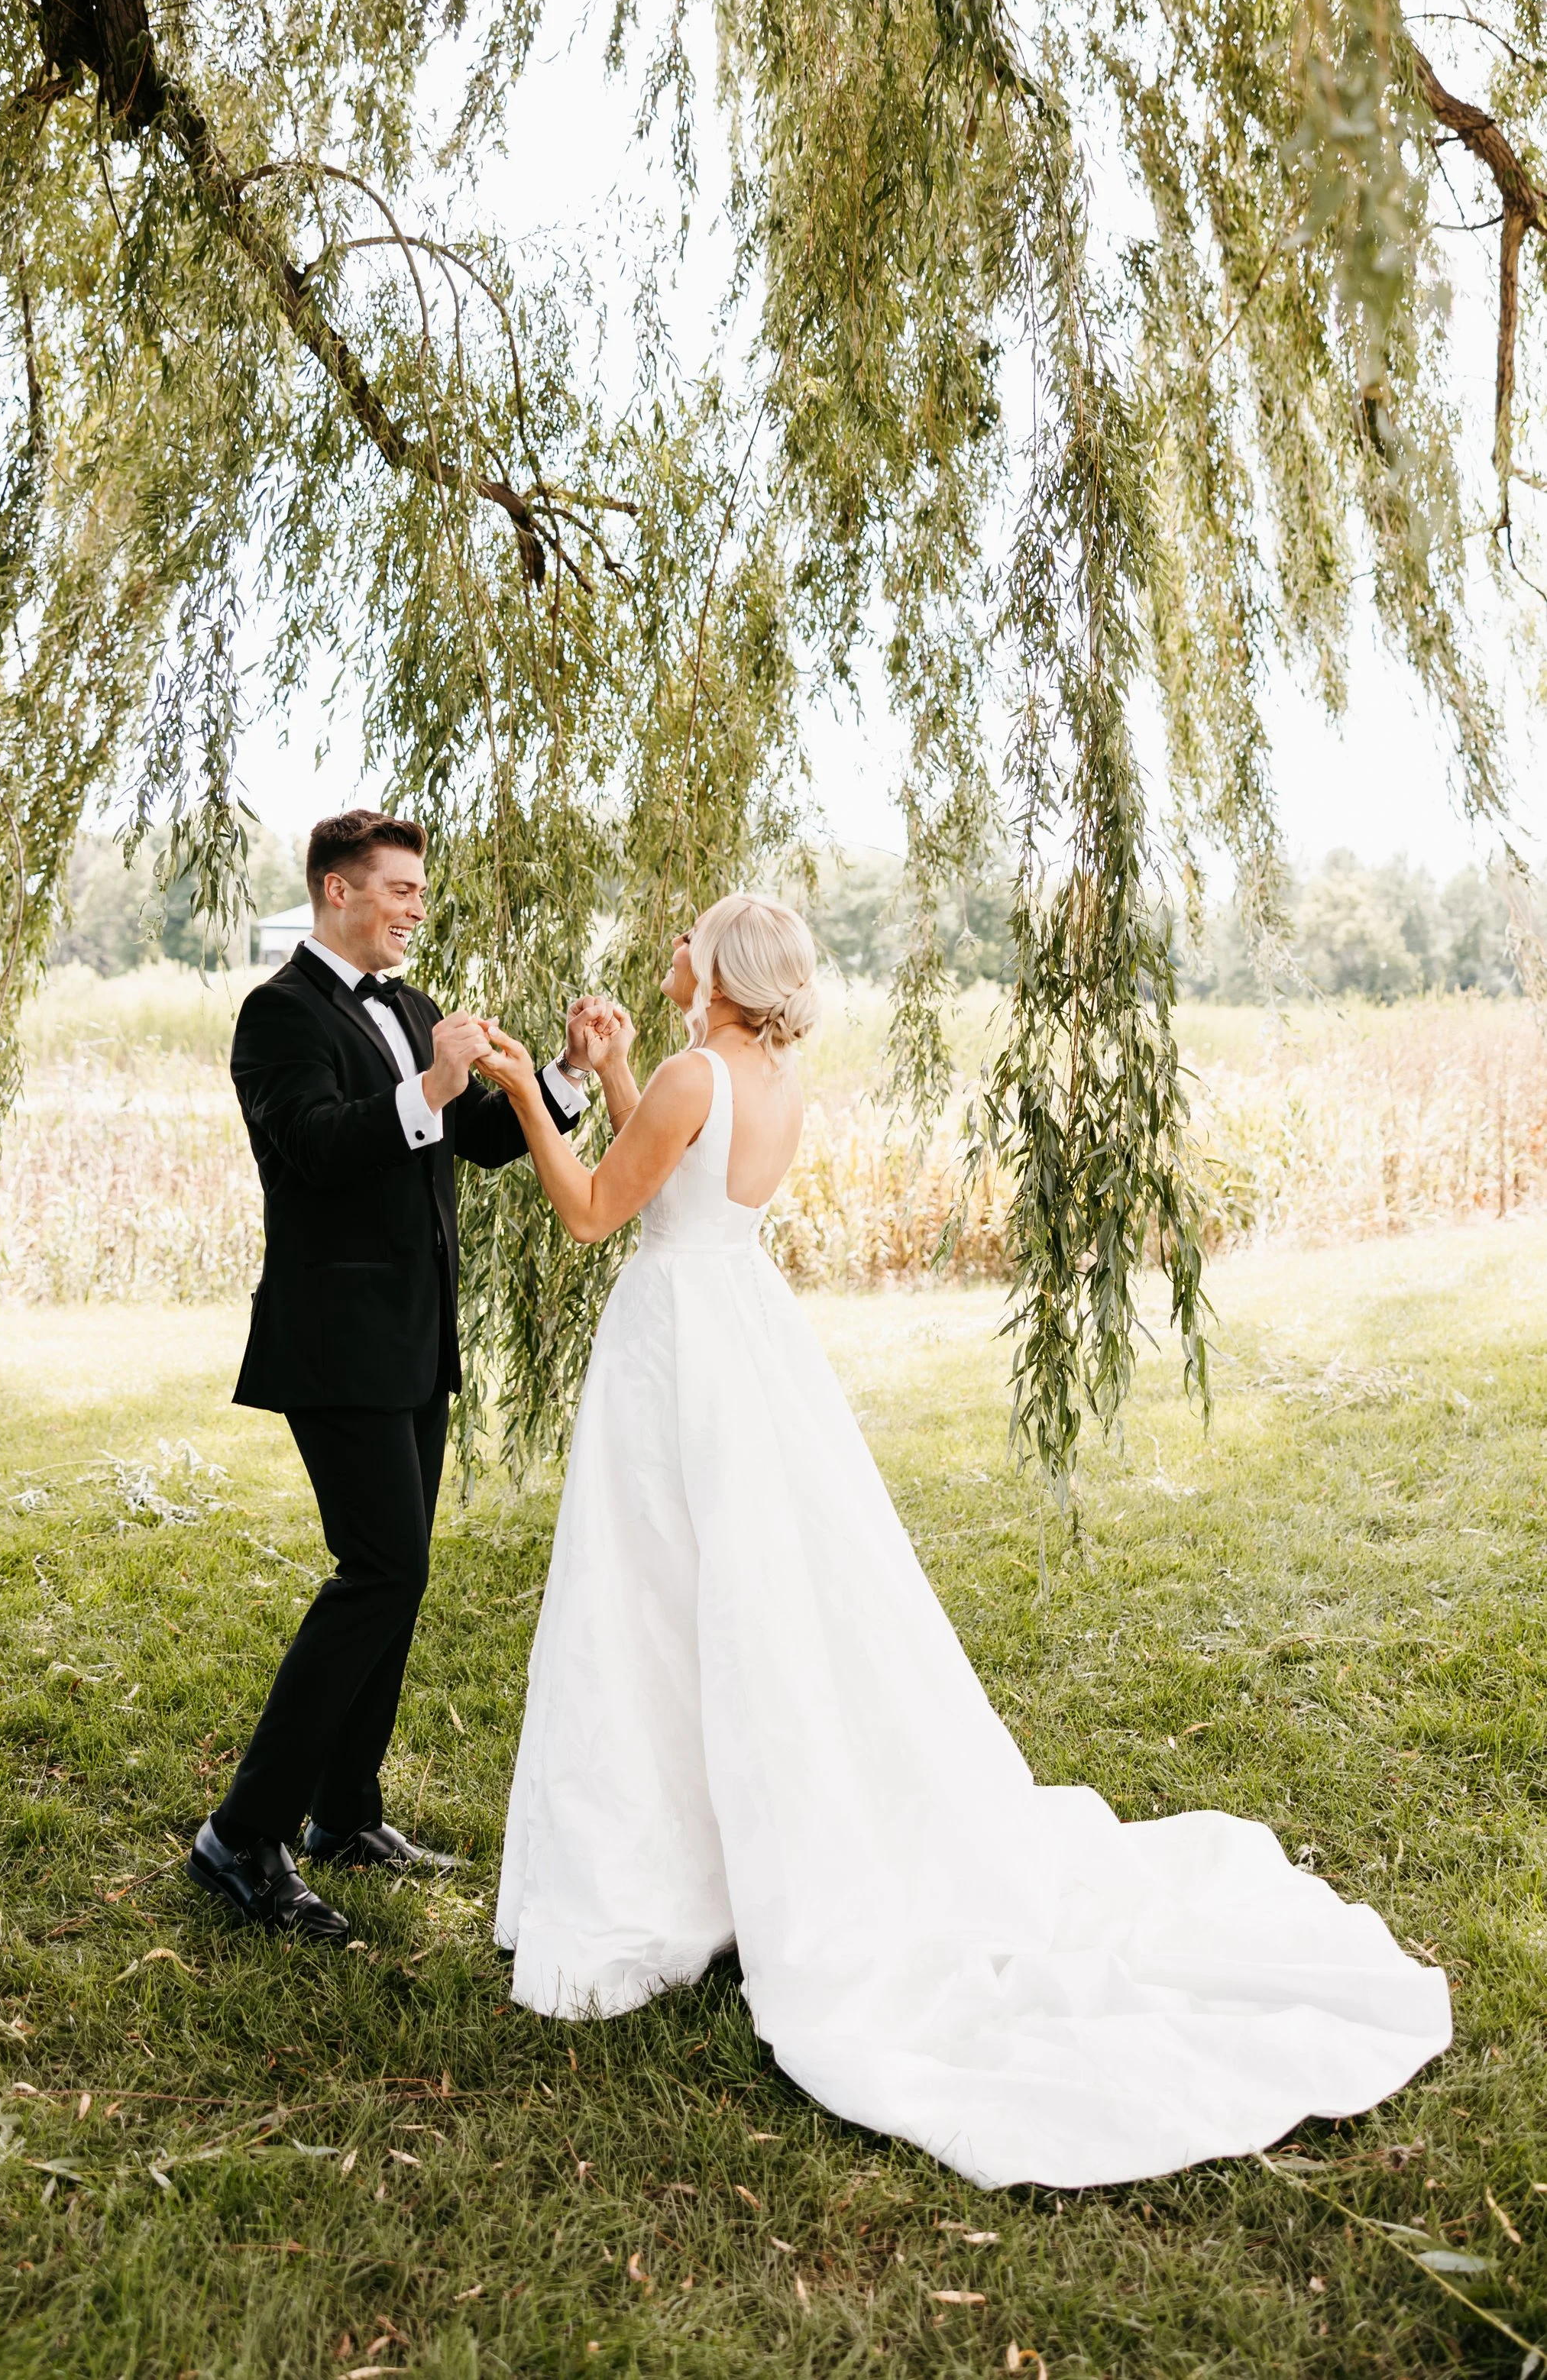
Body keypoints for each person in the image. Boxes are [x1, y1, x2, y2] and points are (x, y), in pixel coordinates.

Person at [474, 892, 1452, 2190]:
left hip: (674, 1355)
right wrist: (604, 1066)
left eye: (684, 946)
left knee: (651, 1603)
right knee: (745, 1599)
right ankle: (721, 1855)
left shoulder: (692, 1071)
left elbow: (597, 1211)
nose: (668, 959)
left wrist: (523, 1089)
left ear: (718, 971)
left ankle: (664, 1877)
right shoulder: (771, 1072)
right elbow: (692, 1173)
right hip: (748, 1345)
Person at [187, 808, 624, 1945]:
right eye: (398, 888)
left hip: (415, 1338)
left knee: (403, 1571)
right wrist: (425, 1088)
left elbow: (476, 1140)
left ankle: (347, 1811)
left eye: (420, 889)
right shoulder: (275, 1014)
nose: (416, 906)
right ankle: (243, 1834)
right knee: (379, 1568)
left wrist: (566, 1073)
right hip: (332, 1339)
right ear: (338, 891)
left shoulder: (416, 1007)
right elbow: (314, 1147)